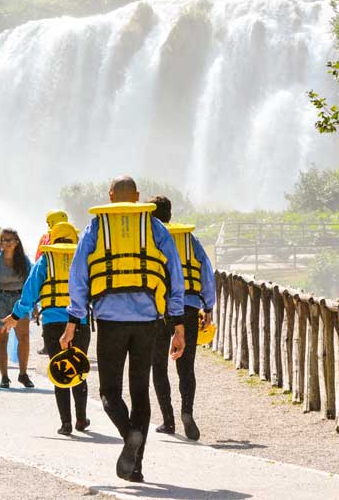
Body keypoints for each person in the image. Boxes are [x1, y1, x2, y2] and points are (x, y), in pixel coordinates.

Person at [60, 175, 186, 482]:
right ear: (138, 196)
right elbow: (175, 274)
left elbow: (78, 276)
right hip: (147, 323)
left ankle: (129, 434)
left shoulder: (96, 227)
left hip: (110, 321)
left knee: (109, 393)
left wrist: (73, 322)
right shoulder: (155, 227)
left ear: (110, 196)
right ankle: (136, 465)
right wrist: (179, 323)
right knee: (140, 393)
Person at [6, 221, 90, 435]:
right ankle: (81, 419)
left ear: (52, 239)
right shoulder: (83, 259)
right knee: (79, 370)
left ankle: (66, 423)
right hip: (79, 322)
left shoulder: (45, 261)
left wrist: (16, 315)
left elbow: (30, 291)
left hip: (53, 323)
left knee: (59, 372)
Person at [146, 196, 215, 441]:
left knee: (158, 366)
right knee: (186, 368)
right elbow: (206, 271)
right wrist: (208, 306)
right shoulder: (189, 239)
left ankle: (168, 420)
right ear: (170, 214)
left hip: (160, 309)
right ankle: (187, 411)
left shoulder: (150, 238)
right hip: (188, 306)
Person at [0, 228, 34, 388]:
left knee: (23, 338)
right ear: (0, 243)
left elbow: (31, 284)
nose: (7, 243)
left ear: (17, 242)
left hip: (19, 300)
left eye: (11, 240)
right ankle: (4, 376)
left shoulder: (24, 261)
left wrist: (34, 305)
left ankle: (23, 374)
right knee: (1, 339)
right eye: (4, 240)